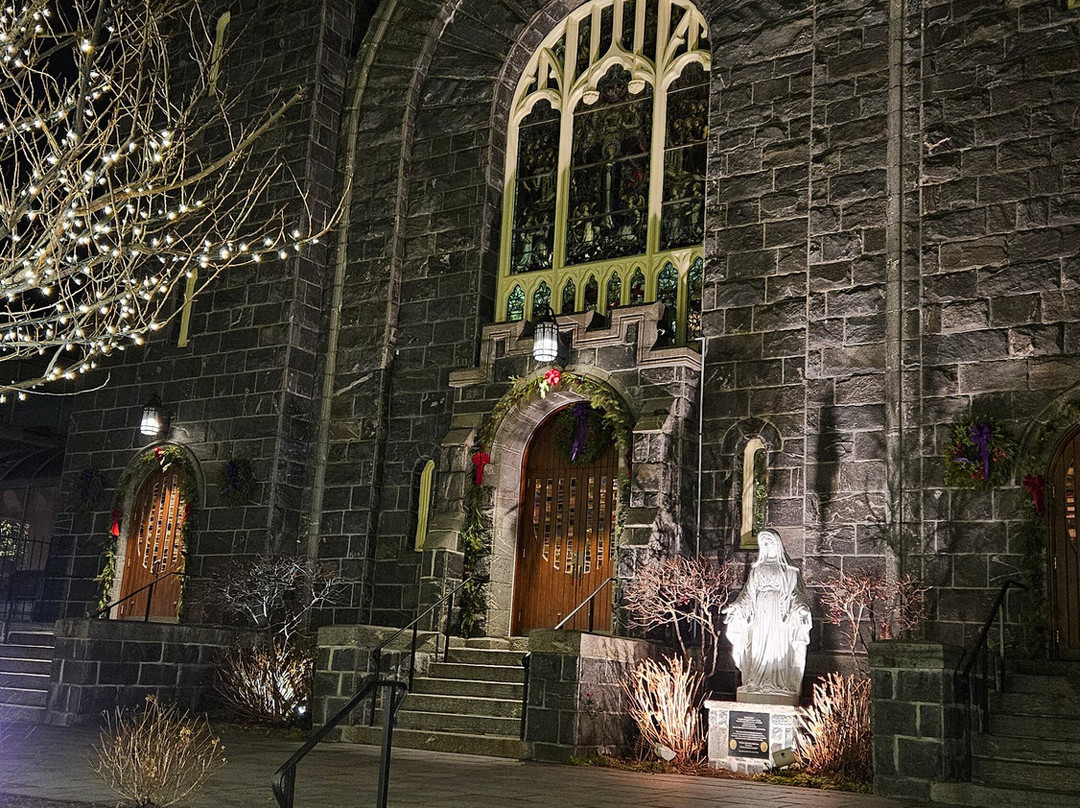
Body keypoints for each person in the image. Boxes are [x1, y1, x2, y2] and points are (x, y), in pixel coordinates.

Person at [722, 529, 812, 699]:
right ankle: (756, 682)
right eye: (763, 543)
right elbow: (747, 594)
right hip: (759, 615)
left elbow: (796, 594)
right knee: (758, 648)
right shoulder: (756, 569)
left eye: (769, 542)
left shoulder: (789, 570)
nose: (766, 545)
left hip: (779, 615)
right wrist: (736, 607)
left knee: (777, 649)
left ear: (777, 544)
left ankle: (779, 683)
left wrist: (800, 607)